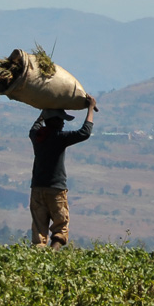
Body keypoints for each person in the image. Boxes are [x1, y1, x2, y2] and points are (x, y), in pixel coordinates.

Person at [27, 94, 97, 248]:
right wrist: (90, 109)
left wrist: (45, 109)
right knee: (61, 228)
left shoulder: (37, 137)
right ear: (53, 121)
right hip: (56, 190)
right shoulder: (59, 137)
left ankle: (38, 261)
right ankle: (52, 257)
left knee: (39, 231)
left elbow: (35, 126)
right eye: (60, 119)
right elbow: (84, 133)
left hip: (37, 189)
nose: (63, 123)